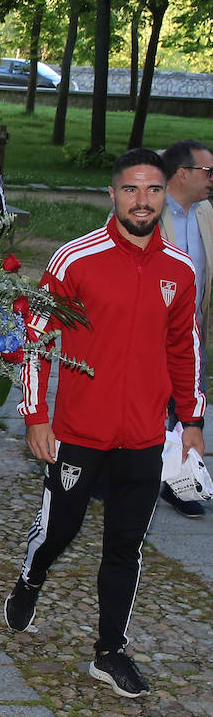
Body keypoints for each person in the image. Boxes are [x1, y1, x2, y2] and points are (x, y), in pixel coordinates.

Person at [6, 148, 205, 699]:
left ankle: (109, 651)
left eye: (154, 190)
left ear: (166, 194)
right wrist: (35, 416)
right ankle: (32, 575)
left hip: (144, 436)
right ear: (112, 194)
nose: (142, 201)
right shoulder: (76, 259)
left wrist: (191, 420)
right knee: (61, 530)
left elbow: (183, 348)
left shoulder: (180, 270)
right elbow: (35, 338)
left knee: (126, 545)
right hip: (78, 433)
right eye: (131, 189)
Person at [157, 139, 213, 517]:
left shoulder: (207, 213)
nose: (211, 178)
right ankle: (117, 474)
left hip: (193, 334)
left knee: (187, 408)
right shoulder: (147, 211)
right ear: (183, 173)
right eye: (207, 171)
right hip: (150, 334)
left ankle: (179, 483)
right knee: (144, 409)